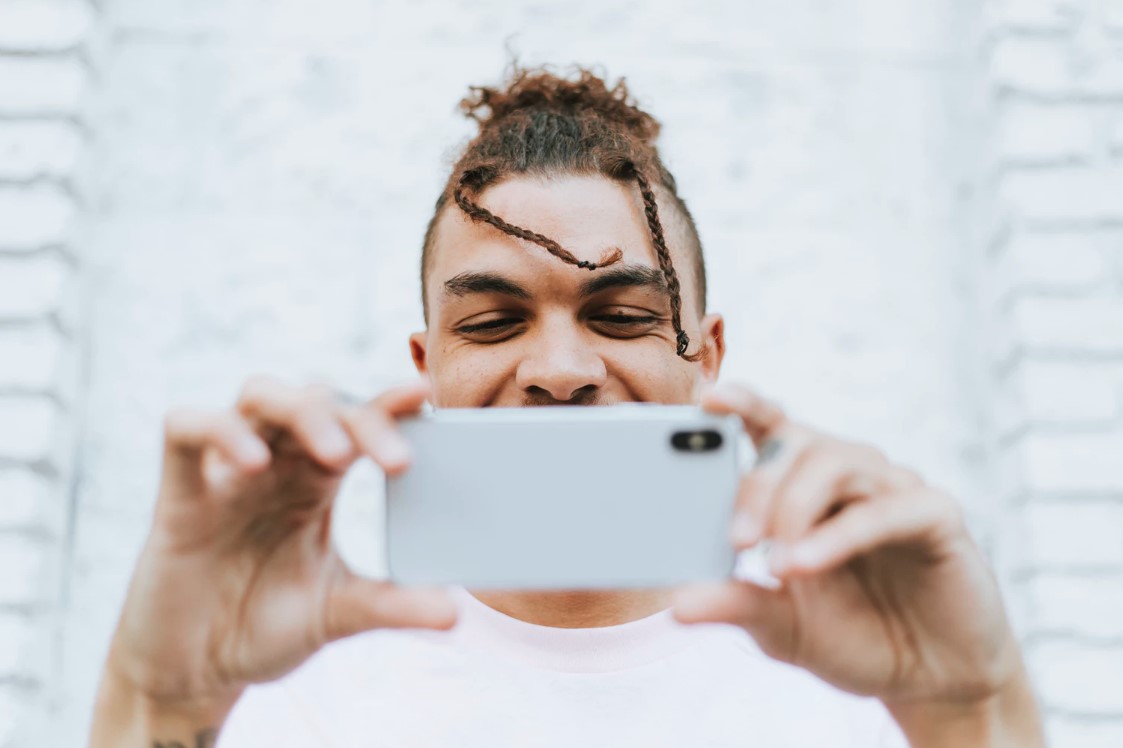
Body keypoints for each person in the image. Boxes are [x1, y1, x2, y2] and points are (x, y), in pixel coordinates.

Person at [89, 65, 1044, 747]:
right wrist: (156, 702)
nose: (557, 367)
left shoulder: (863, 679)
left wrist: (969, 712)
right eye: (494, 322)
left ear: (704, 359)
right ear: (425, 369)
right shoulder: (281, 693)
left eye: (622, 315)